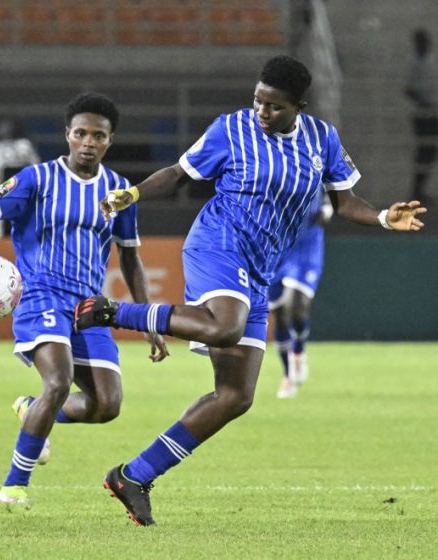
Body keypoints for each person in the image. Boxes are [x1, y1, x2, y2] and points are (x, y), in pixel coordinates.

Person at [74, 55, 426, 526]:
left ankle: (133, 476)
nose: (261, 111)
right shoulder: (231, 129)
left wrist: (383, 217)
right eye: (258, 100)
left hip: (260, 267)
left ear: (298, 106)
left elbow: (344, 200)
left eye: (274, 106)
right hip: (219, 242)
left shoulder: (322, 139)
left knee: (236, 396)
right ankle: (112, 312)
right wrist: (132, 194)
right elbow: (180, 173)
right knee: (225, 326)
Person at [0, 92, 168, 509]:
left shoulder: (119, 192)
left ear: (109, 140)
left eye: (98, 135)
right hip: (41, 296)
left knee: (106, 404)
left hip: (89, 307)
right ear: (67, 136)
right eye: (80, 133)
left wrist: (147, 319)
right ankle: (14, 485)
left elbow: (130, 257)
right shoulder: (37, 180)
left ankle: (34, 410)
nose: (88, 142)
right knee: (57, 381)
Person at [270, 191, 332, 399]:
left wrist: (327, 209)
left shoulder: (317, 161)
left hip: (306, 248)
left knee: (295, 308)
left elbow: (332, 190)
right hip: (277, 249)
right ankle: (288, 374)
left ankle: (298, 350)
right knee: (279, 315)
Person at [0, 118, 40, 241]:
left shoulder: (20, 145)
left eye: (9, 130)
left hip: (12, 188)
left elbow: (36, 168)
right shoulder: (3, 146)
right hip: (14, 187)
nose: (7, 133)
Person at [405, 29, 438, 205]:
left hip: (432, 113)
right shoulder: (414, 64)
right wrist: (424, 101)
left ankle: (420, 190)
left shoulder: (431, 62)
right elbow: (409, 89)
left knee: (429, 152)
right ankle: (417, 190)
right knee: (424, 152)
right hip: (422, 113)